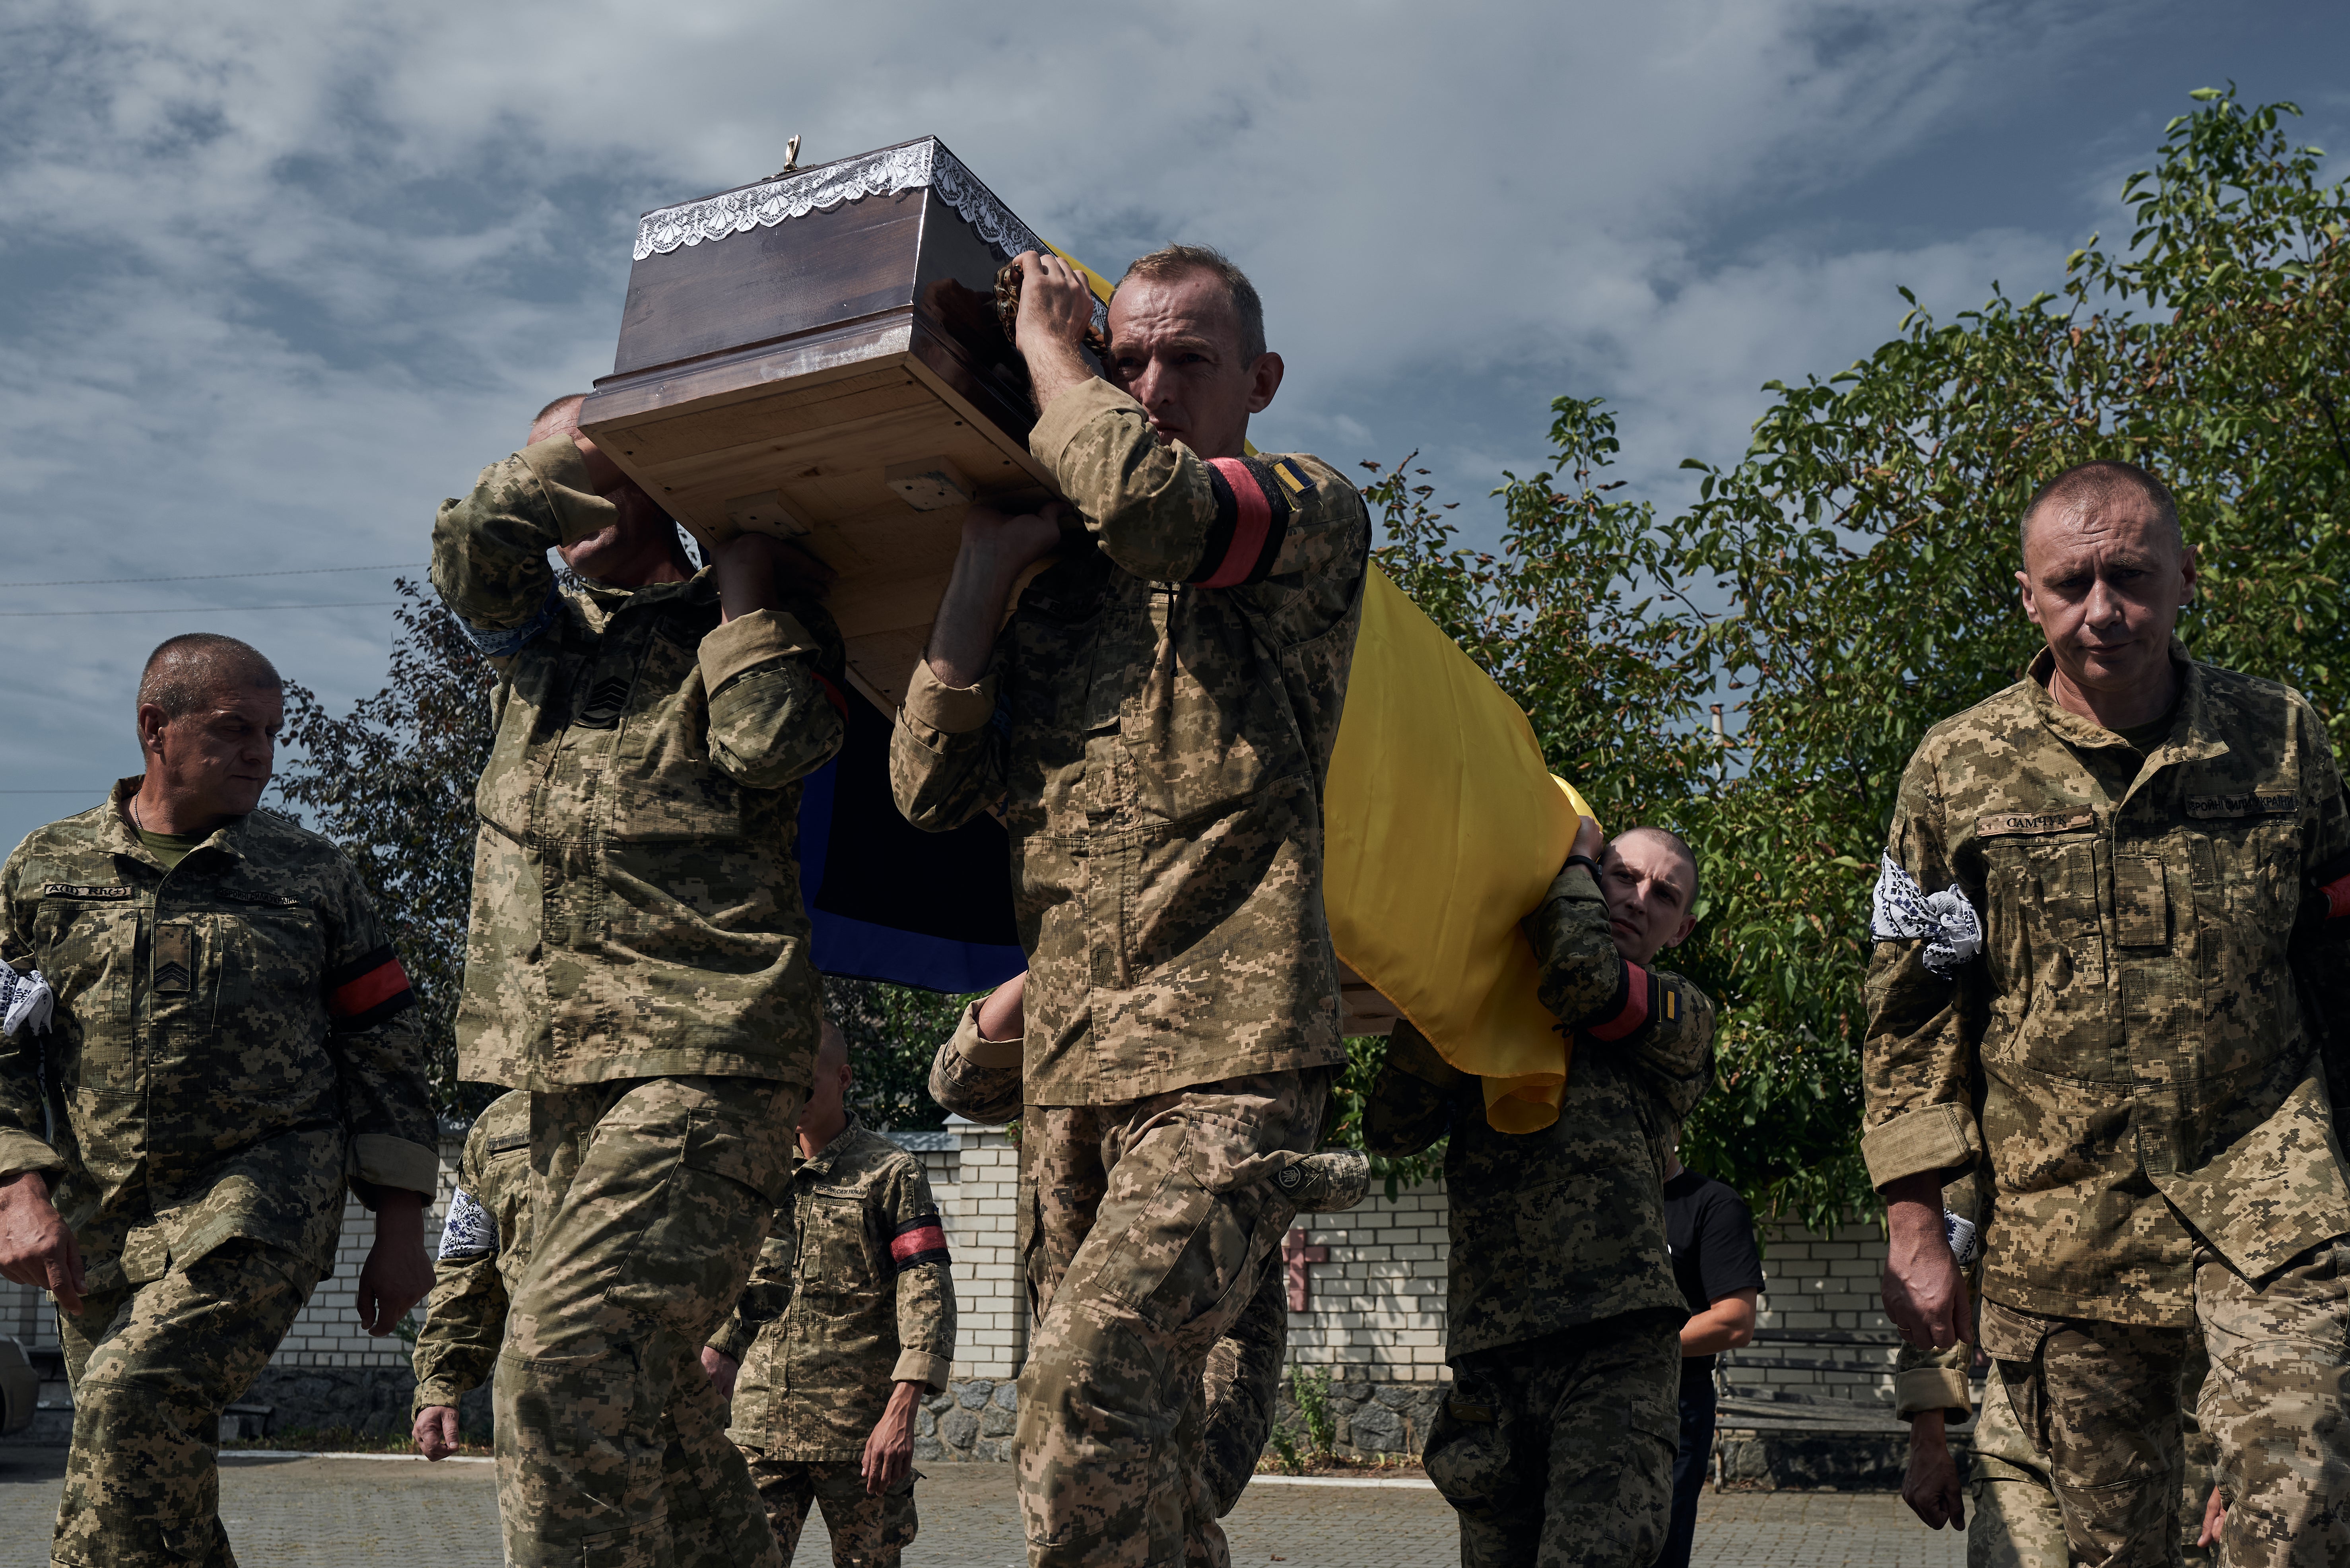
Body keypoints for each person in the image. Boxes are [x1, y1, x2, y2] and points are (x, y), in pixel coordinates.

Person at [889, 242, 1371, 1568]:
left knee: (1079, 1397)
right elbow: (931, 788)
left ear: (1261, 380)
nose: (1151, 385)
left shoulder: (1306, 510)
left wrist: (1055, 357)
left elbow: (1163, 512)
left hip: (1231, 1063)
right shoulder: (1065, 602)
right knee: (1132, 1463)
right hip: (1073, 1079)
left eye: (1188, 360)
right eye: (1128, 358)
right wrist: (985, 575)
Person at [1865, 460, 2350, 1568]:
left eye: (2128, 575)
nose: (2103, 611)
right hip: (2060, 1227)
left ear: (2183, 577)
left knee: (2301, 1488)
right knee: (2106, 1552)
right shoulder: (1954, 767)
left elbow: (2334, 965)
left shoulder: (2282, 736)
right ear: (2027, 598)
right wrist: (1915, 1228)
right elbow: (1907, 1014)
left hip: (2268, 1197)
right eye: (2070, 582)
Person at [431, 393, 847, 1568]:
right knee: (647, 1396)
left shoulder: (754, 615)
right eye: (547, 465)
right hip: (553, 1079)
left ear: (661, 477)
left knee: (558, 1360)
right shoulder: (536, 645)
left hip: (704, 1052)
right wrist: (566, 455)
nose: (563, 491)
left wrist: (750, 594)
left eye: (594, 465)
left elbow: (773, 746)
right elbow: (467, 554)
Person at [0, 633, 437, 1565]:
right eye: (237, 730)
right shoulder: (46, 868)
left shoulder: (311, 876)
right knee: (149, 1468)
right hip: (103, 1215)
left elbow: (388, 1047)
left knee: (127, 1397)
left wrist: (401, 1227)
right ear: (155, 727)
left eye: (273, 734)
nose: (260, 755)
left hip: (265, 1198)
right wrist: (16, 1187)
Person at [1367, 822, 1716, 1567]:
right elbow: (1391, 1126)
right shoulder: (1493, 1006)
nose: (1636, 898)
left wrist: (1578, 859)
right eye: (1623, 875)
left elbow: (1585, 980)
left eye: (1664, 893)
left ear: (1681, 929)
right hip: (1495, 1349)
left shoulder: (1678, 1012)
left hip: (1613, 1348)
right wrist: (1459, 980)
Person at [926, 974, 1369, 1520]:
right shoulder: (1072, 984)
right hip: (1065, 1343)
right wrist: (1055, 955)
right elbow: (961, 1086)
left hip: (1199, 1334)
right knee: (1080, 1485)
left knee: (1161, 1499)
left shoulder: (1234, 973)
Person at [698, 1020, 955, 1567]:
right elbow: (736, 1276)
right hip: (759, 1427)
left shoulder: (891, 1173)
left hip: (858, 1440)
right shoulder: (754, 1168)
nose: (789, 1097)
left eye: (805, 1083)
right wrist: (717, 1348)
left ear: (842, 1079)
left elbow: (926, 1288)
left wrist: (903, 1409)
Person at [1897, 1172, 2221, 1568]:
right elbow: (1941, 1266)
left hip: (2170, 1467)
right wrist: (1927, 1433)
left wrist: (2251, 1458)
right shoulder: (2013, 1120)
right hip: (2027, 1445)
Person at [410, 1088, 533, 1460]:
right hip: (536, 1409)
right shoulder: (499, 1127)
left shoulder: (685, 1093)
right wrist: (441, 1384)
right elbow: (467, 1266)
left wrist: (720, 1341)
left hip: (672, 1401)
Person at [1656, 1137, 1763, 1568]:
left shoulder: (1712, 1203)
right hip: (1583, 1401)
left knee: (1658, 1547)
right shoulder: (1596, 1202)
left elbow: (1734, 1320)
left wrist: (1630, 1350)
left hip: (1674, 1405)